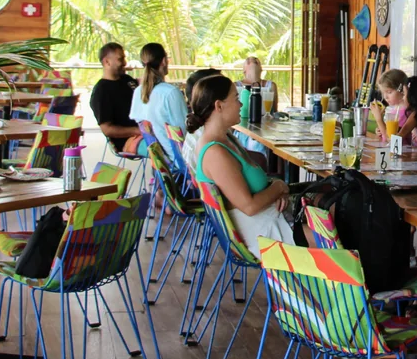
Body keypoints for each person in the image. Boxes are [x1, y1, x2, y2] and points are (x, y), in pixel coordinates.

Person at [188, 75, 296, 245]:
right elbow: (250, 207)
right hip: (264, 235)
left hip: (270, 221)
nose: (241, 104)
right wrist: (279, 186)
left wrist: (275, 191)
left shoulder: (226, 139)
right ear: (219, 106)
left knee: (332, 208)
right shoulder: (215, 153)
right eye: (236, 98)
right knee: (339, 225)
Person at [129, 43, 188, 172]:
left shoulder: (138, 92)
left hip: (160, 161)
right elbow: (185, 132)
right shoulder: (170, 93)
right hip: (179, 161)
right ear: (163, 61)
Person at [88, 42, 139, 155]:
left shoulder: (127, 80)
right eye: (120, 59)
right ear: (107, 62)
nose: (125, 63)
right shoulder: (101, 91)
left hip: (145, 132)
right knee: (166, 149)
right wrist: (138, 131)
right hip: (128, 140)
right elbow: (107, 129)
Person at [370, 69, 410, 142]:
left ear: (402, 90)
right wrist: (380, 130)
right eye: (383, 93)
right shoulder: (393, 109)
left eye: (389, 92)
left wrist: (379, 119)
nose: (385, 97)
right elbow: (386, 131)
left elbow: (390, 140)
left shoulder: (405, 113)